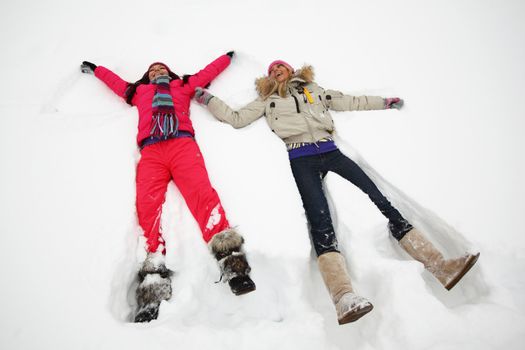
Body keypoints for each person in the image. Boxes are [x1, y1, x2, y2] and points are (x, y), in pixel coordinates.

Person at [193, 60, 480, 325]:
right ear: (269, 77)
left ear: (291, 71)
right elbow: (236, 118)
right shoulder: (267, 101)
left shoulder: (313, 91)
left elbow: (350, 100)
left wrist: (385, 102)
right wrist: (208, 99)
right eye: (272, 69)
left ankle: (440, 265)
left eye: (281, 66)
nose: (276, 70)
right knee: (321, 221)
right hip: (300, 158)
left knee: (380, 198)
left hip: (331, 152)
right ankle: (343, 297)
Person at [80, 52, 256, 323]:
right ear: (146, 76)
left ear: (169, 72)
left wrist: (227, 58)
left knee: (203, 196)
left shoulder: (182, 85)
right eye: (152, 70)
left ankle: (233, 264)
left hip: (182, 145)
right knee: (147, 208)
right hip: (151, 151)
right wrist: (97, 70)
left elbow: (207, 74)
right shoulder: (138, 91)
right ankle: (152, 287)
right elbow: (116, 83)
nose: (157, 71)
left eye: (161, 68)